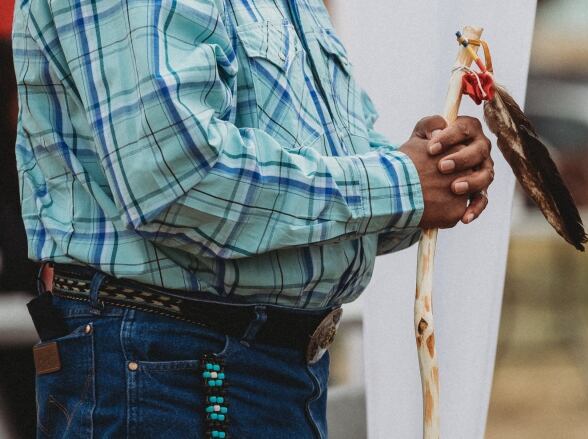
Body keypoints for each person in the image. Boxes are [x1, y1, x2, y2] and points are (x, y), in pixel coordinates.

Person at [13, 0, 494, 437]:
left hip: (226, 371)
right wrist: (401, 183)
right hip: (170, 371)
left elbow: (329, 173)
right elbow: (177, 181)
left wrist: (434, 173)